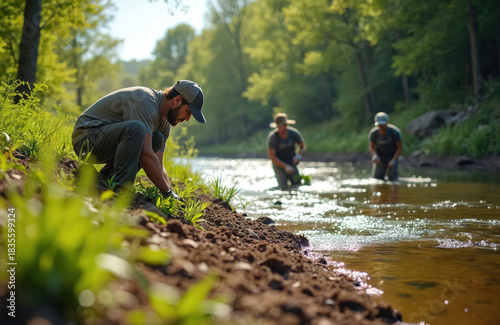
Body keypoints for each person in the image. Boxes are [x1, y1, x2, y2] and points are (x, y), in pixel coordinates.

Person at [72, 80, 206, 199]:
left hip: (104, 142)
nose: (188, 119)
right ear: (177, 100)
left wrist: (171, 195)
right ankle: (122, 188)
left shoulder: (164, 124)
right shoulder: (146, 100)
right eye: (188, 112)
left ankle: (108, 178)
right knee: (136, 129)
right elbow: (145, 154)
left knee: (156, 138)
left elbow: (158, 164)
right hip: (86, 139)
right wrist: (167, 192)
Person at [267, 113, 307, 188]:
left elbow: (303, 147)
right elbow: (272, 157)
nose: (284, 127)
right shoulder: (273, 138)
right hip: (278, 165)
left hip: (292, 162)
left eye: (285, 125)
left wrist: (299, 156)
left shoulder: (294, 133)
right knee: (283, 187)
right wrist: (285, 166)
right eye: (282, 125)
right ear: (278, 126)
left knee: (297, 185)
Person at [368, 112, 403, 181]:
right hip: (379, 158)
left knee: (393, 180)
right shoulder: (373, 133)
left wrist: (394, 160)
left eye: (383, 125)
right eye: (379, 125)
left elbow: (400, 147)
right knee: (376, 180)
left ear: (387, 122)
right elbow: (372, 147)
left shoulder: (395, 132)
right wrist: (375, 155)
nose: (381, 127)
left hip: (392, 157)